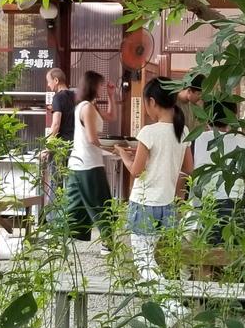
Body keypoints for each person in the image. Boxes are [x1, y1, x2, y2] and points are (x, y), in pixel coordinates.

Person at [114, 77, 194, 280]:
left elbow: (136, 171)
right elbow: (188, 167)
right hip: (166, 203)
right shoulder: (183, 131)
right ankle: (164, 294)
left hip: (144, 203)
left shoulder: (148, 132)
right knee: (155, 257)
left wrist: (123, 155)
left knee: (144, 260)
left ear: (152, 101)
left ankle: (165, 297)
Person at [63, 70, 118, 243]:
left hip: (79, 163)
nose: (102, 87)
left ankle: (61, 241)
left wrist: (111, 95)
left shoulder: (89, 106)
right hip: (88, 163)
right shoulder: (87, 107)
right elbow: (92, 138)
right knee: (102, 204)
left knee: (74, 205)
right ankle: (108, 243)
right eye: (101, 84)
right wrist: (113, 150)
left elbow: (111, 116)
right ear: (93, 85)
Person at [192, 99, 245, 244]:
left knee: (207, 250)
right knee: (234, 250)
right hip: (234, 201)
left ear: (206, 115)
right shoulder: (242, 141)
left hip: (205, 201)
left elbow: (189, 170)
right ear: (233, 116)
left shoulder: (196, 140)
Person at [40, 68, 74, 216]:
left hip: (60, 147)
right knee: (71, 184)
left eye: (49, 82)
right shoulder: (75, 96)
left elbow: (55, 124)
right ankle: (69, 218)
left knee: (56, 183)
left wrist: (47, 147)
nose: (48, 85)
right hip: (75, 146)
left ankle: (53, 220)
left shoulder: (58, 97)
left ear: (56, 80)